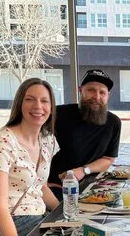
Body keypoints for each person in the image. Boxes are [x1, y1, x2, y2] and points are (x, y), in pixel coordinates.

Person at [0, 78, 60, 236]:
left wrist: (63, 212)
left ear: (51, 107)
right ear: (20, 104)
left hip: (42, 217)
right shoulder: (3, 141)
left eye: (44, 101)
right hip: (14, 221)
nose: (38, 106)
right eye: (30, 99)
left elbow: (40, 186)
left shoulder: (48, 140)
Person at [48, 69, 121, 198]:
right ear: (80, 90)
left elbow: (108, 159)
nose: (96, 97)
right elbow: (32, 147)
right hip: (58, 187)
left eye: (102, 92)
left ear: (108, 95)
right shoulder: (57, 114)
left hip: (94, 188)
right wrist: (41, 183)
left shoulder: (113, 122)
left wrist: (83, 170)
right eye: (91, 90)